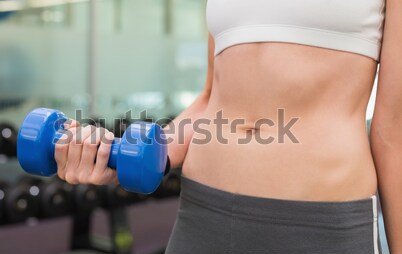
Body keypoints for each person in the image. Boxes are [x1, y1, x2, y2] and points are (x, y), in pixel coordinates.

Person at [55, 1, 401, 253]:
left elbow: (393, 133)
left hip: (318, 224)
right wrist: (126, 159)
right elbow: (210, 100)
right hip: (203, 214)